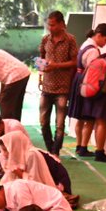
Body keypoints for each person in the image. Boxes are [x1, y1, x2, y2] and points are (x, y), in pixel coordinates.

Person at [37, 11, 78, 155]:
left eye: (53, 25)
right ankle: (50, 149)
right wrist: (42, 69)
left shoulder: (70, 40)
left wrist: (57, 66)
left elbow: (74, 62)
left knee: (60, 124)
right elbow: (40, 58)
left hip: (62, 88)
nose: (50, 27)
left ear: (61, 24)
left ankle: (55, 153)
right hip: (46, 87)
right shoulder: (45, 39)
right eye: (49, 24)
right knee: (43, 121)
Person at [68, 24, 106, 158]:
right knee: (88, 117)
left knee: (80, 118)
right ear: (99, 35)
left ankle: (79, 145)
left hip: (79, 79)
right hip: (87, 82)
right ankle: (83, 147)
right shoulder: (93, 50)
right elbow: (94, 70)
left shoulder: (85, 44)